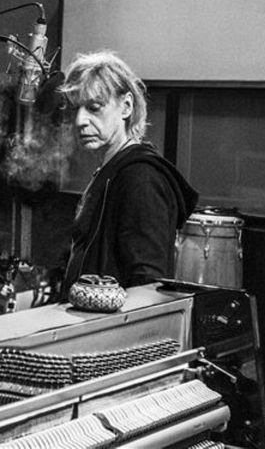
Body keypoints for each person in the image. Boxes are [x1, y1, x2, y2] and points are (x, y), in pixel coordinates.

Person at [60, 51, 198, 297]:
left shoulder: (140, 177)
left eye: (94, 108)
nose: (80, 120)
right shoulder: (113, 169)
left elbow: (148, 285)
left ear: (126, 106)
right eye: (75, 109)